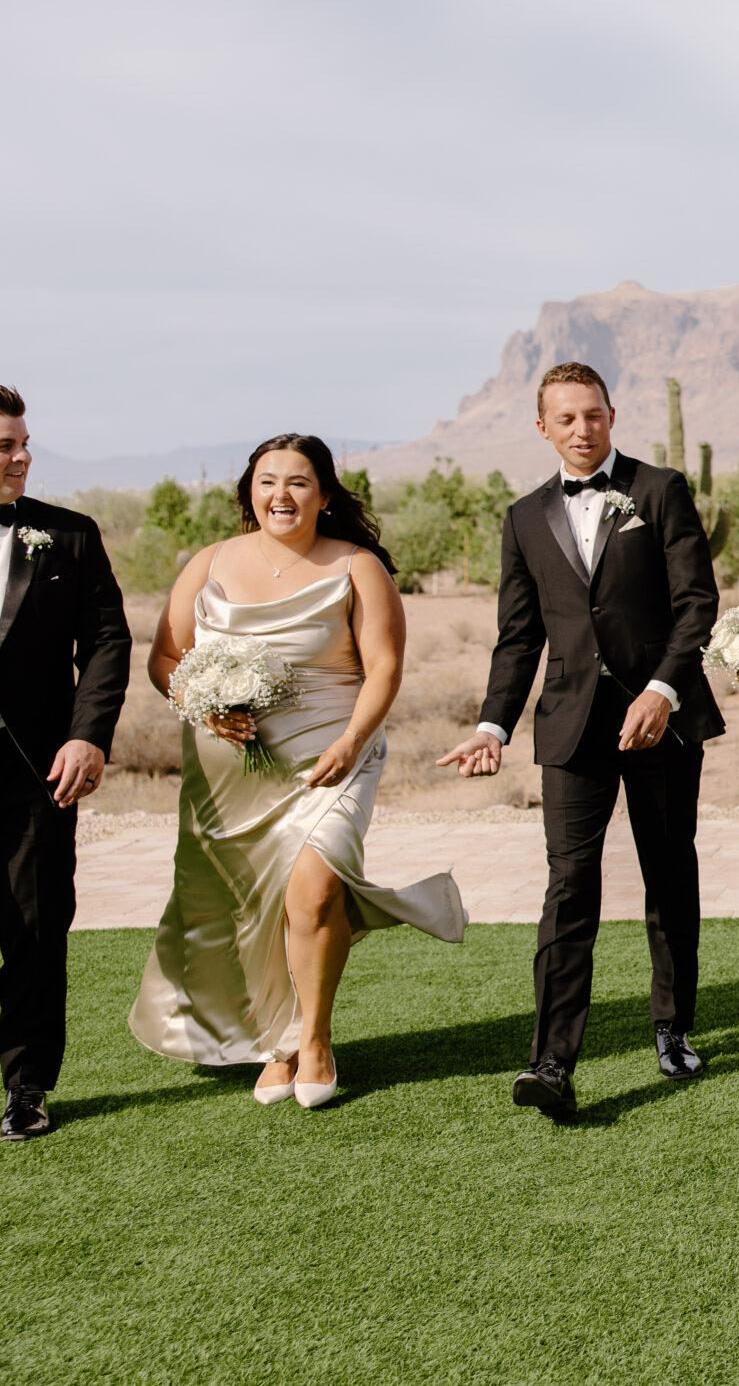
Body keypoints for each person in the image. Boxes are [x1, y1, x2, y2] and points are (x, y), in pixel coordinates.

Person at [132, 437, 464, 1105]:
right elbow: (166, 658)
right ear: (248, 491)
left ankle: (312, 1038)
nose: (281, 494)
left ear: (326, 494)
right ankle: (276, 1040)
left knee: (311, 889)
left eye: (299, 482)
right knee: (250, 908)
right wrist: (204, 706)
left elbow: (386, 667)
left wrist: (352, 740)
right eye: (267, 481)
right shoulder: (210, 563)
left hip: (331, 755)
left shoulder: (356, 566)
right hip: (231, 768)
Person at [437, 361, 725, 1118]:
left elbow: (697, 604)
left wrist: (663, 691)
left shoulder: (660, 490)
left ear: (612, 413)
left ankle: (672, 1026)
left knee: (668, 875)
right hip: (569, 726)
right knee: (570, 886)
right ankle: (552, 1061)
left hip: (660, 719)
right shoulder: (524, 516)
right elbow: (518, 635)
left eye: (592, 414)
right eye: (565, 419)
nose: (581, 429)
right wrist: (492, 724)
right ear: (543, 427)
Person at [0, 383, 129, 1141]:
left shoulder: (70, 535)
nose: (22, 456)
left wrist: (89, 734)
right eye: (3, 445)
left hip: (38, 767)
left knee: (36, 930)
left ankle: (28, 1085)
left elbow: (108, 641)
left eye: (24, 442)